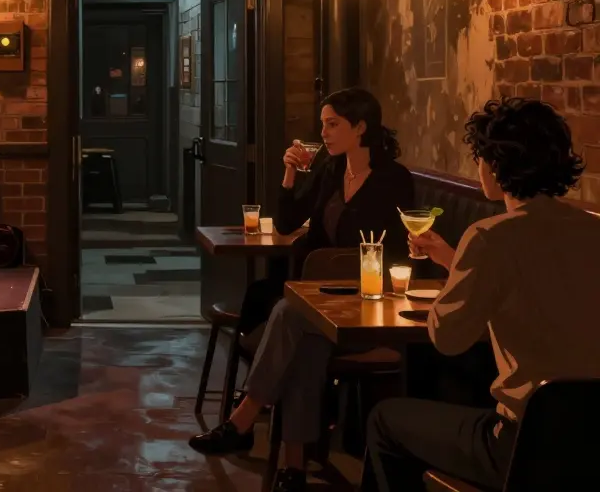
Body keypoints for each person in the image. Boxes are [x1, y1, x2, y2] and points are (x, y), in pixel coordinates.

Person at [362, 97, 600, 491]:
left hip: (523, 444)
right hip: (592, 443)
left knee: (385, 420)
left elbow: (448, 337)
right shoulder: (592, 230)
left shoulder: (491, 237)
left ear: (493, 164)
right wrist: (457, 263)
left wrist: (454, 286)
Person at [190, 88, 416, 492]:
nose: (324, 132)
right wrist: (290, 173)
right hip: (320, 300)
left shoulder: (392, 180)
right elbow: (287, 224)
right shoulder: (332, 170)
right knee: (304, 346)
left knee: (289, 313)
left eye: (333, 124)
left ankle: (244, 419)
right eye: (323, 124)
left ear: (361, 127)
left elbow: (394, 252)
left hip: (366, 305)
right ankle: (292, 469)